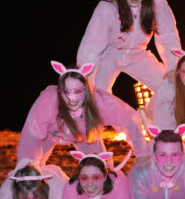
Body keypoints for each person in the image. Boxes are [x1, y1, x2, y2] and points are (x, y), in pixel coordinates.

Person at [16, 61, 149, 168]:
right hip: (50, 134)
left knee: (101, 170)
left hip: (85, 136)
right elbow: (31, 134)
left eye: (77, 91)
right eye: (66, 91)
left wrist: (141, 151)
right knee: (30, 169)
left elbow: (128, 121)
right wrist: (26, 167)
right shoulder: (49, 101)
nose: (71, 98)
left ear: (86, 91)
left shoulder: (100, 102)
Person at [76, 0, 181, 92]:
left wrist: (173, 67)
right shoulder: (108, 6)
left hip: (138, 55)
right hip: (110, 55)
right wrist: (87, 79)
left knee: (170, 88)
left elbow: (168, 35)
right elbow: (92, 45)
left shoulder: (156, 2)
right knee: (96, 95)